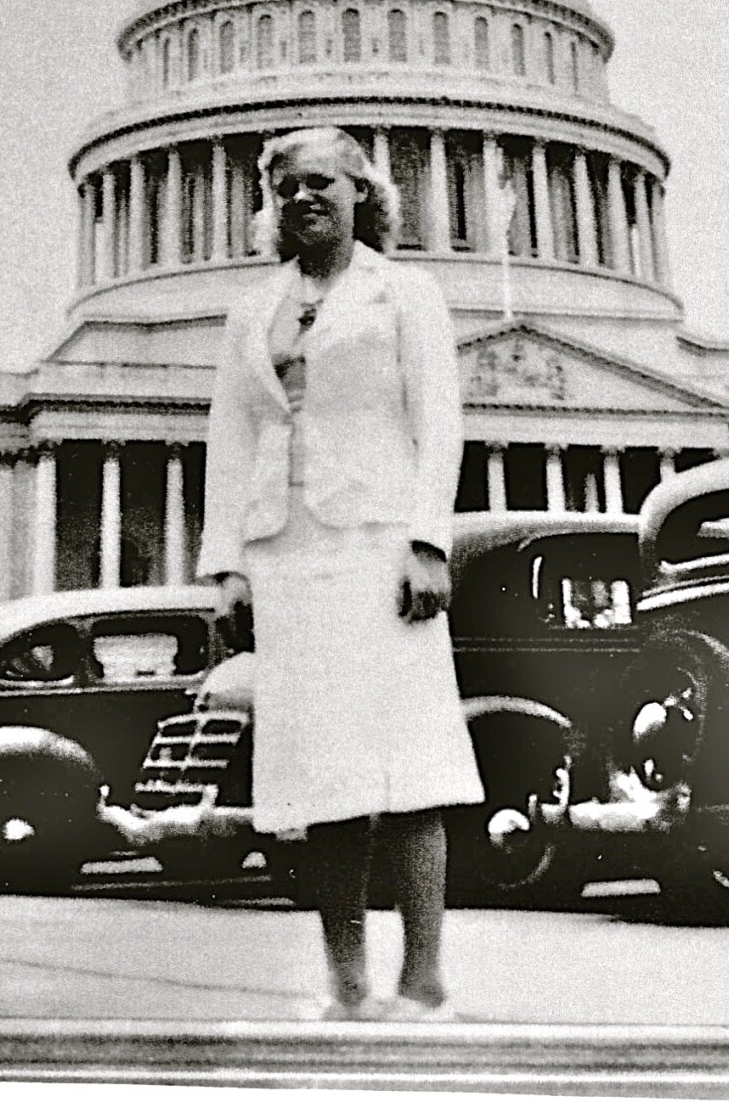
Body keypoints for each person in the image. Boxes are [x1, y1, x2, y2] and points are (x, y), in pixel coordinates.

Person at [197, 125, 484, 1021]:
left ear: (363, 191)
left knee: (409, 767)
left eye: (320, 182)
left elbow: (438, 422)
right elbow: (231, 438)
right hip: (286, 556)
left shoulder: (406, 293)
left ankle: (424, 980)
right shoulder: (255, 308)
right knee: (321, 778)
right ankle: (347, 985)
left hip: (377, 549)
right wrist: (226, 566)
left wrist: (427, 543)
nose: (302, 199)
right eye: (286, 188)